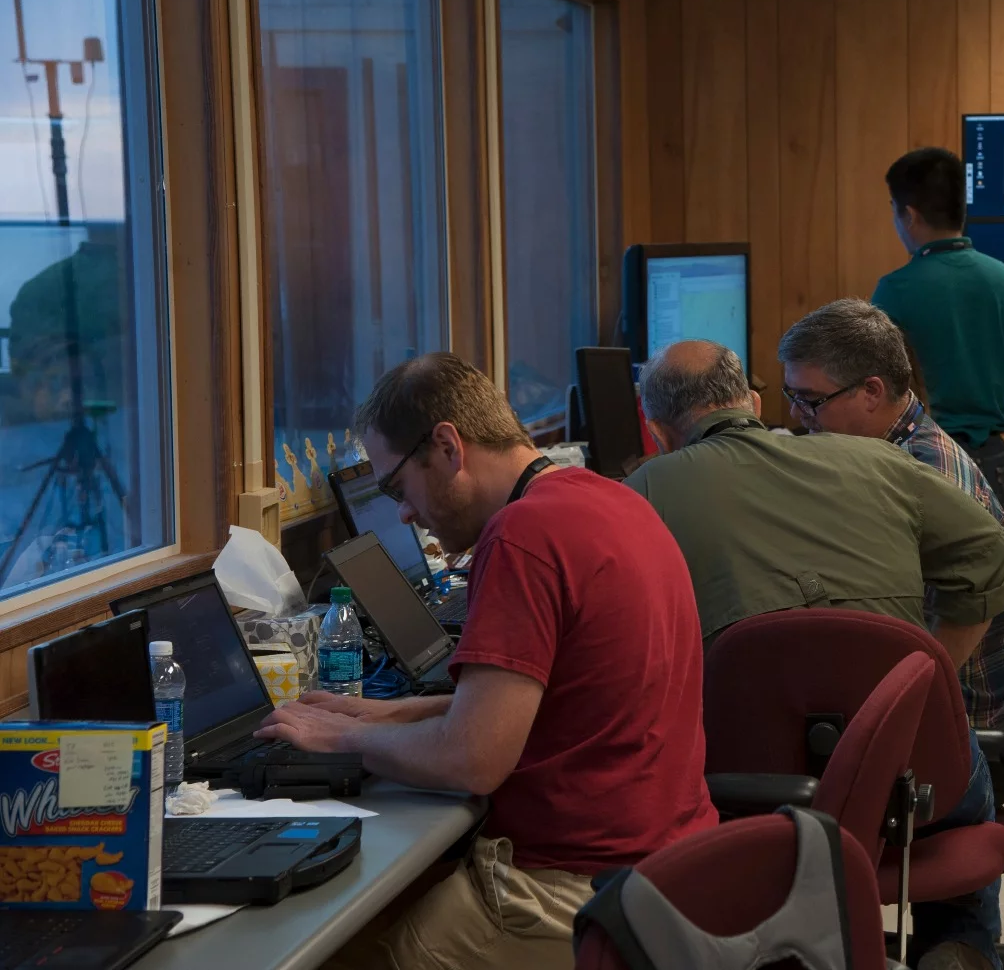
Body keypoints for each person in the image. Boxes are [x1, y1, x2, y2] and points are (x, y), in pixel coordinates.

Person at [256, 352, 717, 969]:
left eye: (398, 487)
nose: (403, 512)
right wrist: (372, 718)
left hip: (573, 891)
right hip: (673, 868)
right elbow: (545, 705)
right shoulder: (609, 500)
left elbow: (472, 758)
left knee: (329, 952)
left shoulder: (524, 536)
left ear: (447, 446)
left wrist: (345, 742)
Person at [625, 339, 1004, 970]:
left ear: (658, 431)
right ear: (753, 403)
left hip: (749, 784)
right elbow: (992, 556)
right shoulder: (876, 461)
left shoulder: (644, 491)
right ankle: (958, 945)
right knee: (961, 794)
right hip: (911, 770)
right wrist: (932, 671)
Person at [778, 297, 1004, 800]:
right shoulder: (896, 453)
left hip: (956, 735)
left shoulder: (919, 479)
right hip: (939, 709)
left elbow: (911, 657)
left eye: (811, 400)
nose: (796, 415)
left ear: (871, 391)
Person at [871, 147, 1004, 526]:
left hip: (927, 460)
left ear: (909, 215)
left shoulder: (893, 291)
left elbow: (882, 390)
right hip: (1000, 460)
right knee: (998, 579)